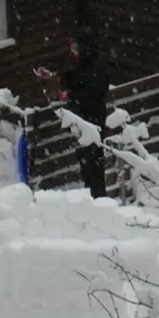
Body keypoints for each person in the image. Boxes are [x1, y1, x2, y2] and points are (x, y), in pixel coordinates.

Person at [64, 31, 110, 198]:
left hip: (93, 121)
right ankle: (92, 198)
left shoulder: (96, 65)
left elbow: (91, 94)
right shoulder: (83, 64)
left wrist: (71, 96)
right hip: (84, 121)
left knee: (94, 165)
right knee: (86, 164)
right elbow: (77, 82)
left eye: (76, 47)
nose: (73, 51)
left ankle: (99, 199)